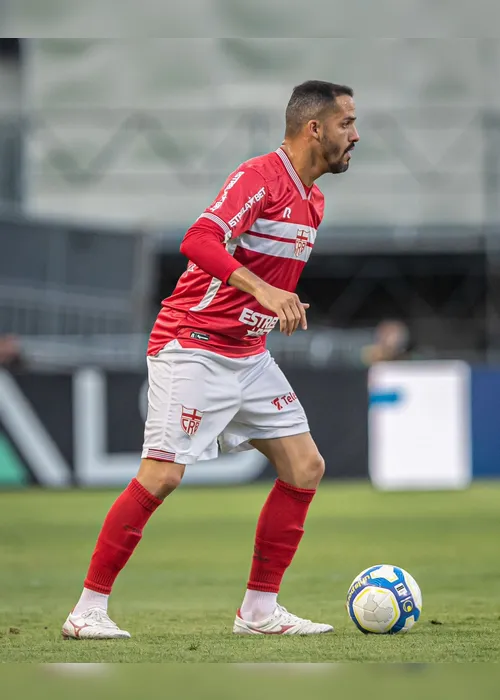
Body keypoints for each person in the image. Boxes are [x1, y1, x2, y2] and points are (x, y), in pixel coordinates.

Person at [62, 80, 360, 639]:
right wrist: (264, 293)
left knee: (305, 466)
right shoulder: (259, 177)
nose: (356, 134)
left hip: (246, 354)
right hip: (193, 344)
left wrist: (273, 306)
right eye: (347, 123)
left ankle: (258, 612)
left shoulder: (314, 201)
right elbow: (199, 240)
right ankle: (87, 612)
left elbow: (265, 284)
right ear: (314, 128)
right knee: (163, 474)